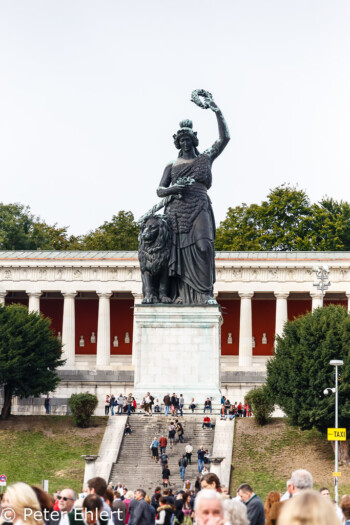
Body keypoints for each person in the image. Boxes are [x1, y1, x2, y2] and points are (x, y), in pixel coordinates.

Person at [157, 93, 230, 305]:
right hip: (176, 210)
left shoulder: (205, 157)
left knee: (204, 246)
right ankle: (181, 295)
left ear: (194, 140)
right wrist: (173, 189)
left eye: (188, 140)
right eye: (181, 140)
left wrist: (216, 109)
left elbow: (224, 138)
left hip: (199, 205)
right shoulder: (171, 165)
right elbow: (160, 190)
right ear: (177, 142)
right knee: (177, 253)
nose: (185, 143)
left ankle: (205, 294)